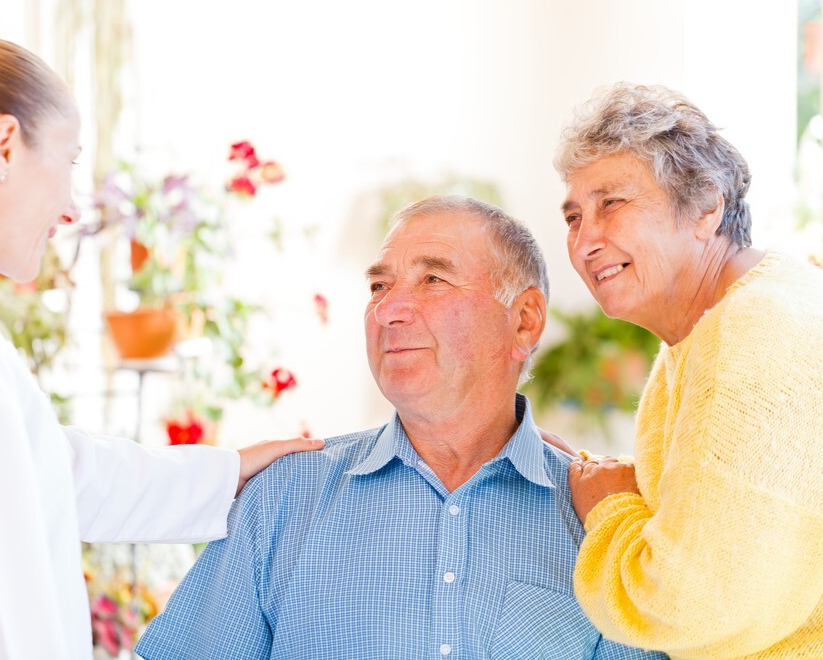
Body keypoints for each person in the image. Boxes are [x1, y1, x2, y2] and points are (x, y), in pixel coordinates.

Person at [0, 37, 323, 659]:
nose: (71, 209)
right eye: (70, 162)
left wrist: (227, 474)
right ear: (5, 146)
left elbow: (59, 473)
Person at [136, 195, 665, 659]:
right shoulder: (281, 498)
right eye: (378, 285)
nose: (388, 309)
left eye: (433, 279)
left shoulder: (603, 522)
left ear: (524, 319)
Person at [558, 83, 823, 659]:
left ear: (707, 207)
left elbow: (692, 604)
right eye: (572, 215)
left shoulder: (758, 330)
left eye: (612, 203)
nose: (586, 239)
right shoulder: (732, 321)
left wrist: (610, 508)